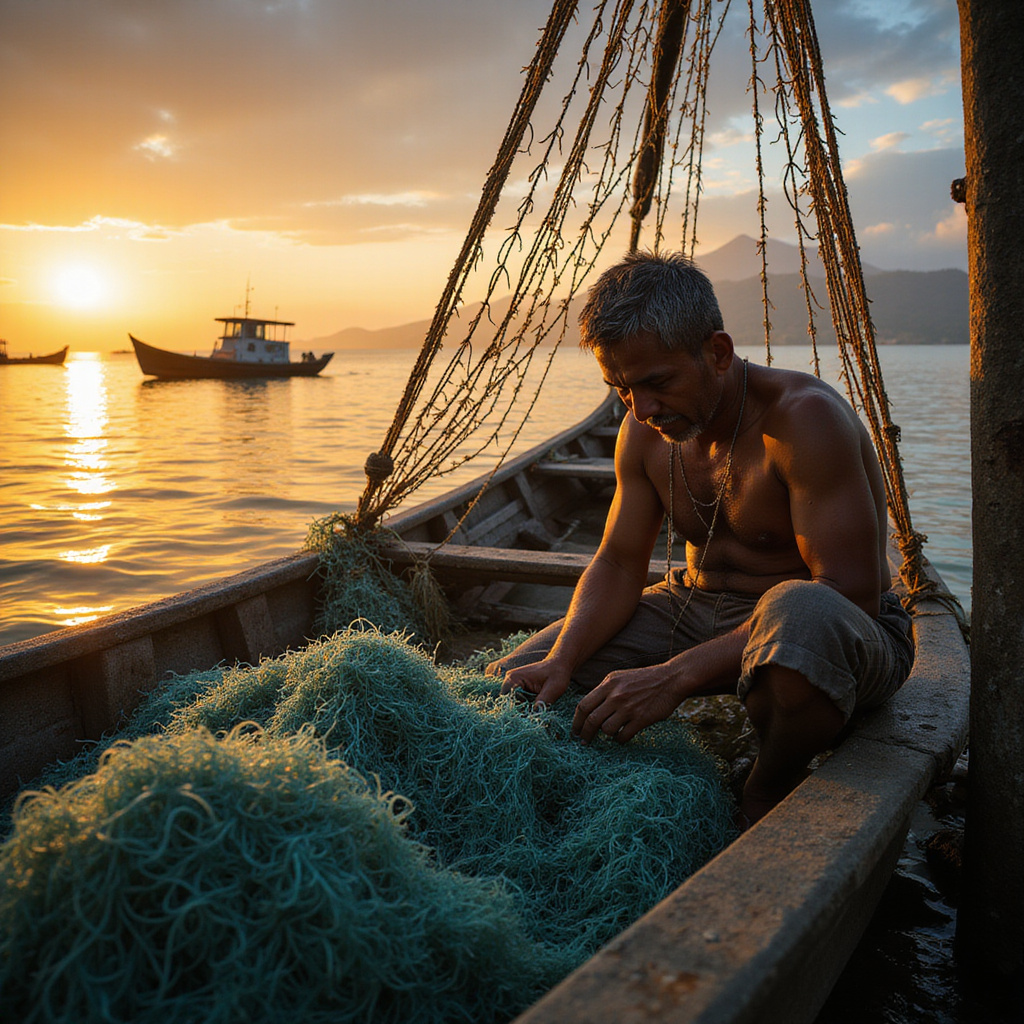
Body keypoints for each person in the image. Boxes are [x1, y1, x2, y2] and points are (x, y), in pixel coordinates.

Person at [486, 250, 914, 827]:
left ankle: (767, 783)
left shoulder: (803, 420)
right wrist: (563, 659)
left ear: (717, 352)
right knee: (520, 680)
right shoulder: (642, 430)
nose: (642, 408)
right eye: (621, 389)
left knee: (800, 613)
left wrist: (673, 677)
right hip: (695, 604)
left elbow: (851, 593)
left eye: (656, 383)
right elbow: (618, 562)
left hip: (837, 628)